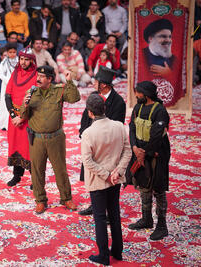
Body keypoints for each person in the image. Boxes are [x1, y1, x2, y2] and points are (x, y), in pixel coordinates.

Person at [20, 65, 80, 214]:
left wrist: (69, 81)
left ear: (49, 79)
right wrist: (25, 104)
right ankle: (40, 200)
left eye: (41, 77)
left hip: (56, 138)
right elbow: (23, 115)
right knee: (37, 171)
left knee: (60, 170)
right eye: (37, 76)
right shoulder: (31, 93)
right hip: (37, 139)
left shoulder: (59, 91)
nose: (38, 79)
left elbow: (74, 98)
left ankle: (66, 198)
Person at [81, 93, 131, 266]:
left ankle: (103, 256)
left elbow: (87, 161)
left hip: (98, 181)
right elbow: (128, 151)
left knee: (100, 218)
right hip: (115, 179)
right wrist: (117, 171)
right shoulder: (118, 126)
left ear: (89, 112)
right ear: (104, 108)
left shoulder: (88, 133)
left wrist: (106, 174)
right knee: (115, 215)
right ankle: (117, 252)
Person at [126, 81, 171, 241]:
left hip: (157, 153)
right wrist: (134, 148)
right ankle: (147, 219)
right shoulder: (138, 108)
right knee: (143, 184)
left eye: (138, 93)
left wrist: (145, 153)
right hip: (140, 151)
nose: (136, 95)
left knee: (158, 188)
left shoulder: (160, 111)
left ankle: (162, 226)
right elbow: (131, 128)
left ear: (147, 95)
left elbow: (157, 135)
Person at [78, 65, 126, 216]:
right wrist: (83, 133)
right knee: (93, 175)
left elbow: (117, 126)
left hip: (108, 147)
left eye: (96, 81)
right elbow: (85, 118)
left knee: (107, 178)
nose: (93, 83)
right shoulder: (94, 95)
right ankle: (95, 205)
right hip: (92, 143)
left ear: (104, 85)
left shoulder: (118, 102)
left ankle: (107, 211)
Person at [4, 46, 36, 186]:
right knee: (15, 145)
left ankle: (36, 179)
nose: (23, 62)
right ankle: (17, 176)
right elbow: (7, 95)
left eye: (26, 59)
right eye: (21, 59)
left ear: (31, 61)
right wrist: (12, 115)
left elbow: (35, 100)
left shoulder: (36, 75)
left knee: (30, 148)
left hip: (29, 118)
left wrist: (22, 118)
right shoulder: (15, 73)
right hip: (14, 118)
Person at [0, 43, 18, 131]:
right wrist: (9, 82)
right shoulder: (3, 62)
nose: (12, 54)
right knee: (5, 104)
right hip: (6, 85)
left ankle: (16, 123)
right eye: (10, 52)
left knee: (16, 104)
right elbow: (1, 74)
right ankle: (4, 124)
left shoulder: (19, 61)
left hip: (17, 86)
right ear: (7, 52)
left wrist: (16, 82)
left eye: (14, 52)